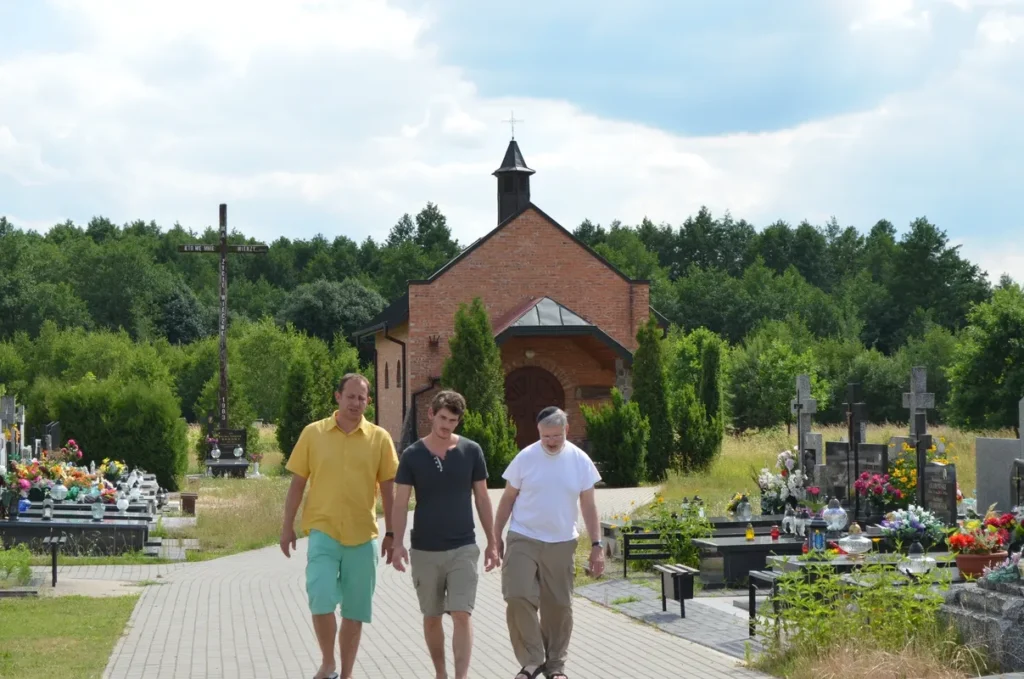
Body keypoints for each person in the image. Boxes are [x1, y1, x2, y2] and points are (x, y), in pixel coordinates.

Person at [280, 373, 399, 679]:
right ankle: (328, 662)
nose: (356, 403)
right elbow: (297, 484)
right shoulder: (313, 433)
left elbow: (389, 489)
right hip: (323, 530)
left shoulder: (379, 438)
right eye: (351, 397)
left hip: (363, 536)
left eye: (362, 398)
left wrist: (392, 534)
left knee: (354, 611)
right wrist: (286, 526)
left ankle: (345, 674)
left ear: (368, 402)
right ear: (337, 397)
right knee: (319, 597)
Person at [391, 390, 500, 679]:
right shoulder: (412, 455)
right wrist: (397, 543)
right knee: (432, 617)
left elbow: (483, 498)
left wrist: (492, 542)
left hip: (463, 546)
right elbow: (400, 502)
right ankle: (441, 673)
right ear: (431, 414)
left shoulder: (471, 451)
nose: (446, 425)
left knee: (462, 613)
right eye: (442, 418)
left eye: (453, 420)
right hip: (425, 550)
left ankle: (460, 677)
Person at [493, 406, 604, 679]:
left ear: (567, 430)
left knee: (559, 607)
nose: (551, 442)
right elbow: (507, 498)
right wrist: (495, 536)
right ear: (538, 433)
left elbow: (588, 505)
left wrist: (597, 545)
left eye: (556, 436)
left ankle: (555, 667)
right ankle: (532, 659)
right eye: (545, 437)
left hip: (562, 542)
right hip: (523, 536)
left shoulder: (580, 461)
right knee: (517, 594)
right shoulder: (526, 458)